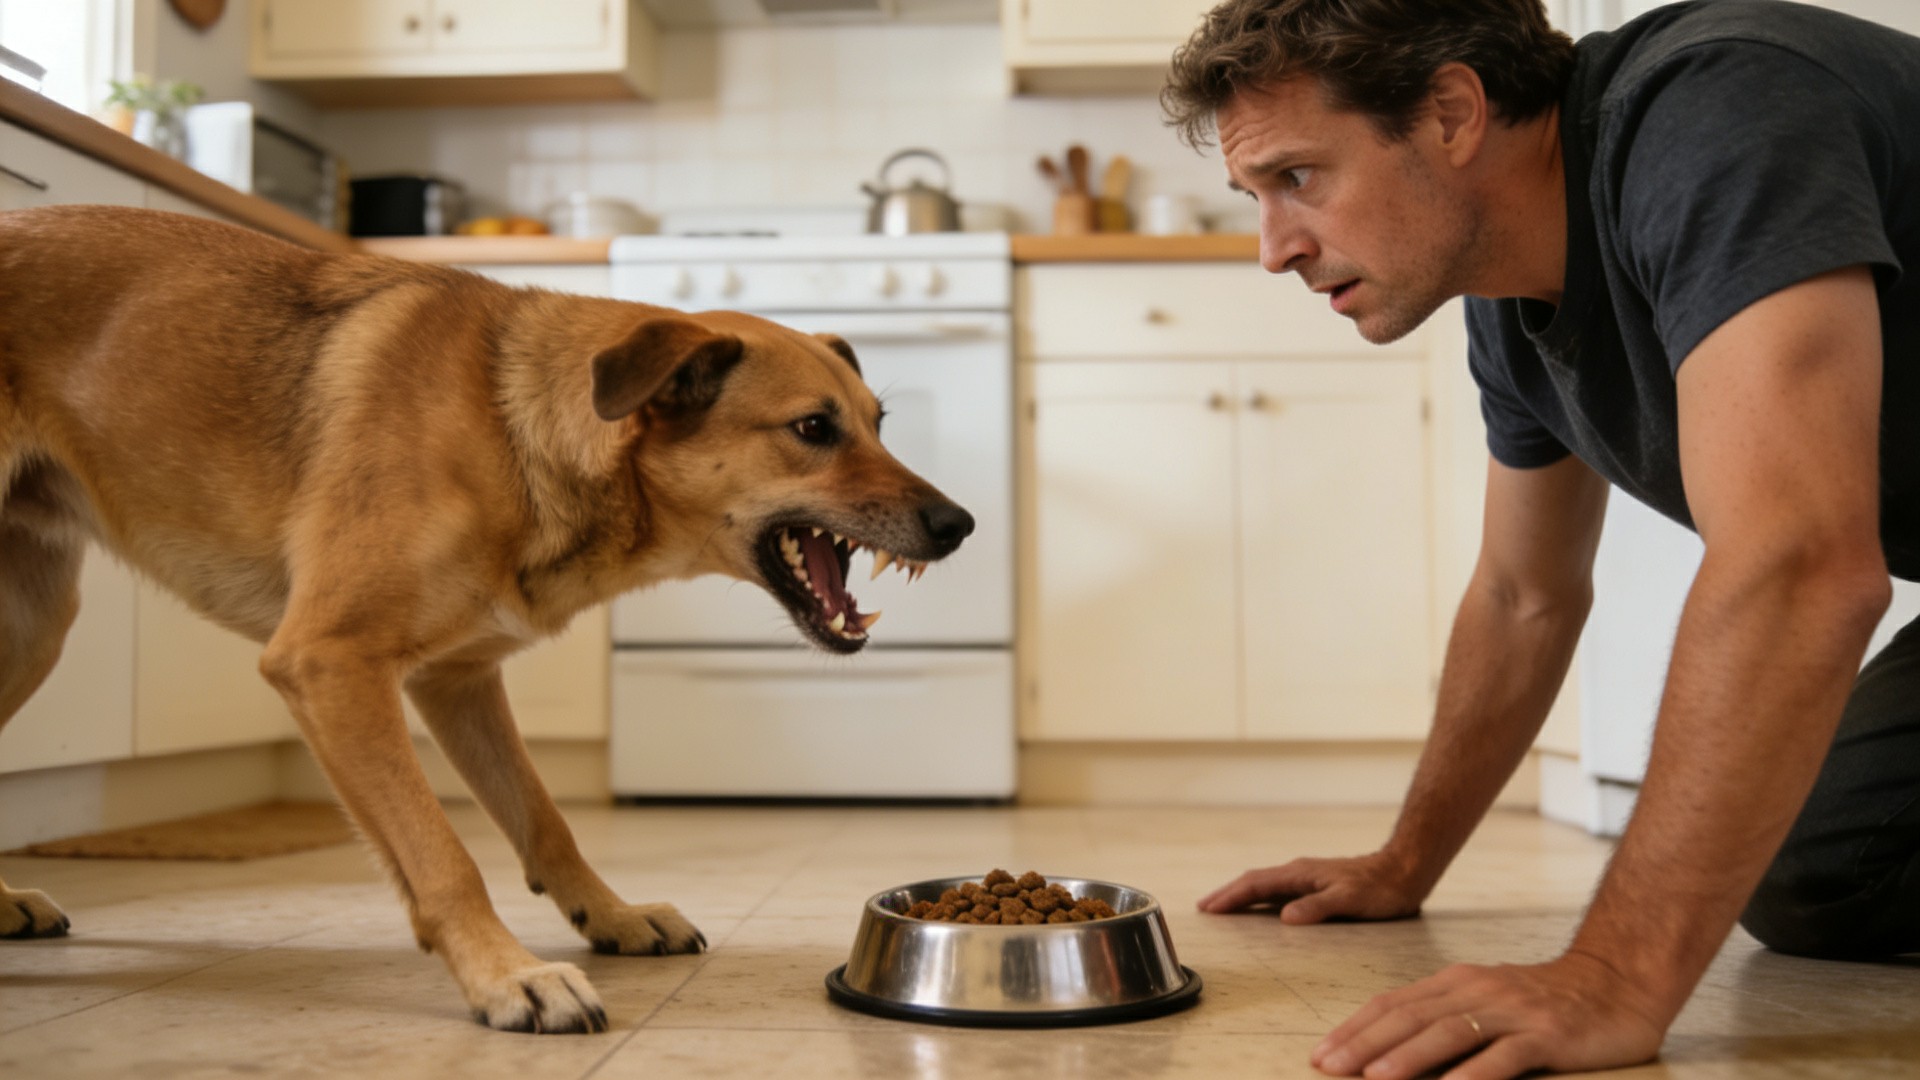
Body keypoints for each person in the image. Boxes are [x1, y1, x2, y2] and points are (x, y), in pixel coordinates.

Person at [1160, 0, 1920, 1076]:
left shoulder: (1722, 110)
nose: (1275, 248)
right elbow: (1524, 592)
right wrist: (1405, 861)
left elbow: (1801, 562)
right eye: (1255, 197)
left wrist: (1615, 974)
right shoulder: (1510, 303)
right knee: (1825, 869)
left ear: (1452, 113)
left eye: (1298, 178)